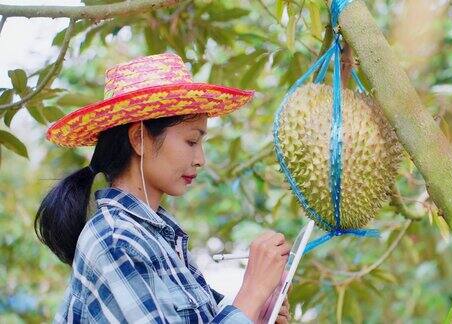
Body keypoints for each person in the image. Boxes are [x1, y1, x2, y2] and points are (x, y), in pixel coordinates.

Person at [35, 52, 292, 323]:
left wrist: (259, 314)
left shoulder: (159, 238)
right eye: (192, 142)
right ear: (138, 138)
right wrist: (254, 291)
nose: (200, 159)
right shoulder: (116, 241)